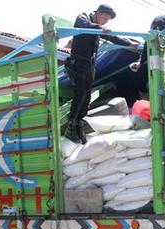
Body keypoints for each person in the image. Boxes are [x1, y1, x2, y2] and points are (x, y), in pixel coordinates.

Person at [65, 4, 137, 144]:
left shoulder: (99, 28)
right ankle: (71, 126)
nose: (105, 21)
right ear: (98, 13)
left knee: (86, 98)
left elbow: (111, 37)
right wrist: (99, 28)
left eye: (107, 20)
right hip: (78, 62)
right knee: (80, 94)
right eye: (104, 18)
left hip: (89, 65)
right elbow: (84, 25)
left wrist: (128, 43)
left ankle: (79, 125)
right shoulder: (83, 17)